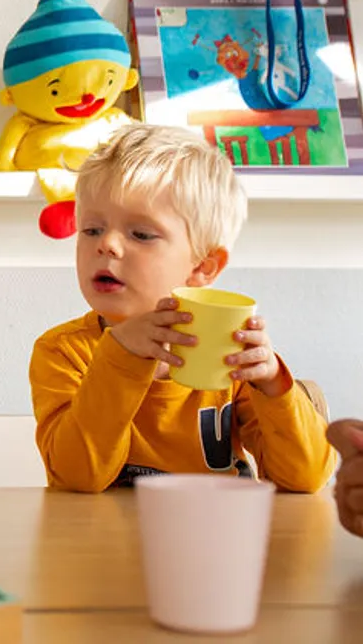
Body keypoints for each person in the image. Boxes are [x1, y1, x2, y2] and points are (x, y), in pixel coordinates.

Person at [30, 125, 332, 492]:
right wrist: (122, 356)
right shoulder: (63, 351)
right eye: (91, 229)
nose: (107, 244)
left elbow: (305, 478)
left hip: (217, 539)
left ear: (203, 267)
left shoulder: (229, 355)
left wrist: (272, 386)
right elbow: (77, 476)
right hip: (107, 544)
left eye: (140, 234)